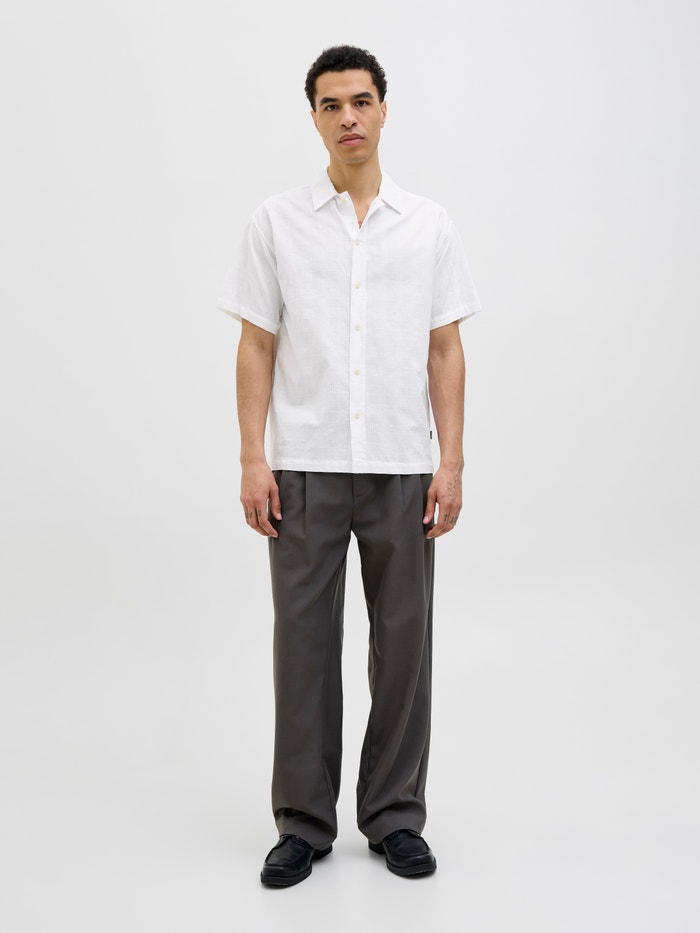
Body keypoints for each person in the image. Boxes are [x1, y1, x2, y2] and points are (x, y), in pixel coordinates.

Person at [216, 45, 482, 886]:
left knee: (404, 646)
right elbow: (256, 344)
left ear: (384, 109)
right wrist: (253, 456)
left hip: (404, 464)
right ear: (315, 119)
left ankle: (395, 813)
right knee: (302, 646)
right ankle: (302, 821)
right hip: (304, 464)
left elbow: (446, 349)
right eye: (331, 105)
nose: (349, 117)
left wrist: (452, 461)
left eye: (361, 101)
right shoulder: (276, 222)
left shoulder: (428, 224)